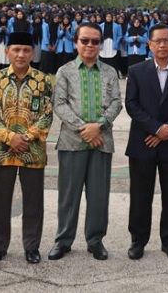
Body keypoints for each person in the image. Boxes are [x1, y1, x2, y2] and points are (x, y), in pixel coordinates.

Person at [49, 23, 122, 261]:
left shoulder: (110, 72)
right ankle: (63, 240)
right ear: (76, 42)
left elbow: (116, 103)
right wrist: (84, 128)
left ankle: (95, 240)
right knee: (69, 194)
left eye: (95, 41)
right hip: (72, 141)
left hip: (102, 140)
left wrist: (98, 125)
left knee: (99, 195)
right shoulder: (65, 71)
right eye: (85, 41)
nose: (90, 45)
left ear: (101, 44)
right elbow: (59, 104)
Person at [124, 24, 168, 261]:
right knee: (140, 195)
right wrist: (156, 128)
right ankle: (138, 241)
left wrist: (167, 130)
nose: (162, 45)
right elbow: (132, 105)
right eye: (158, 41)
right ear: (150, 44)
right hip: (142, 142)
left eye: (167, 40)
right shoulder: (136, 71)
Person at [0, 32, 54, 265]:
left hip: (33, 151)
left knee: (33, 202)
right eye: (16, 50)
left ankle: (31, 247)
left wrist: (26, 137)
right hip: (2, 150)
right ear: (7, 52)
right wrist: (8, 137)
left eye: (26, 50)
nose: (21, 54)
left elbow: (47, 114)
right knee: (0, 201)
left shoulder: (43, 81)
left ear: (33, 52)